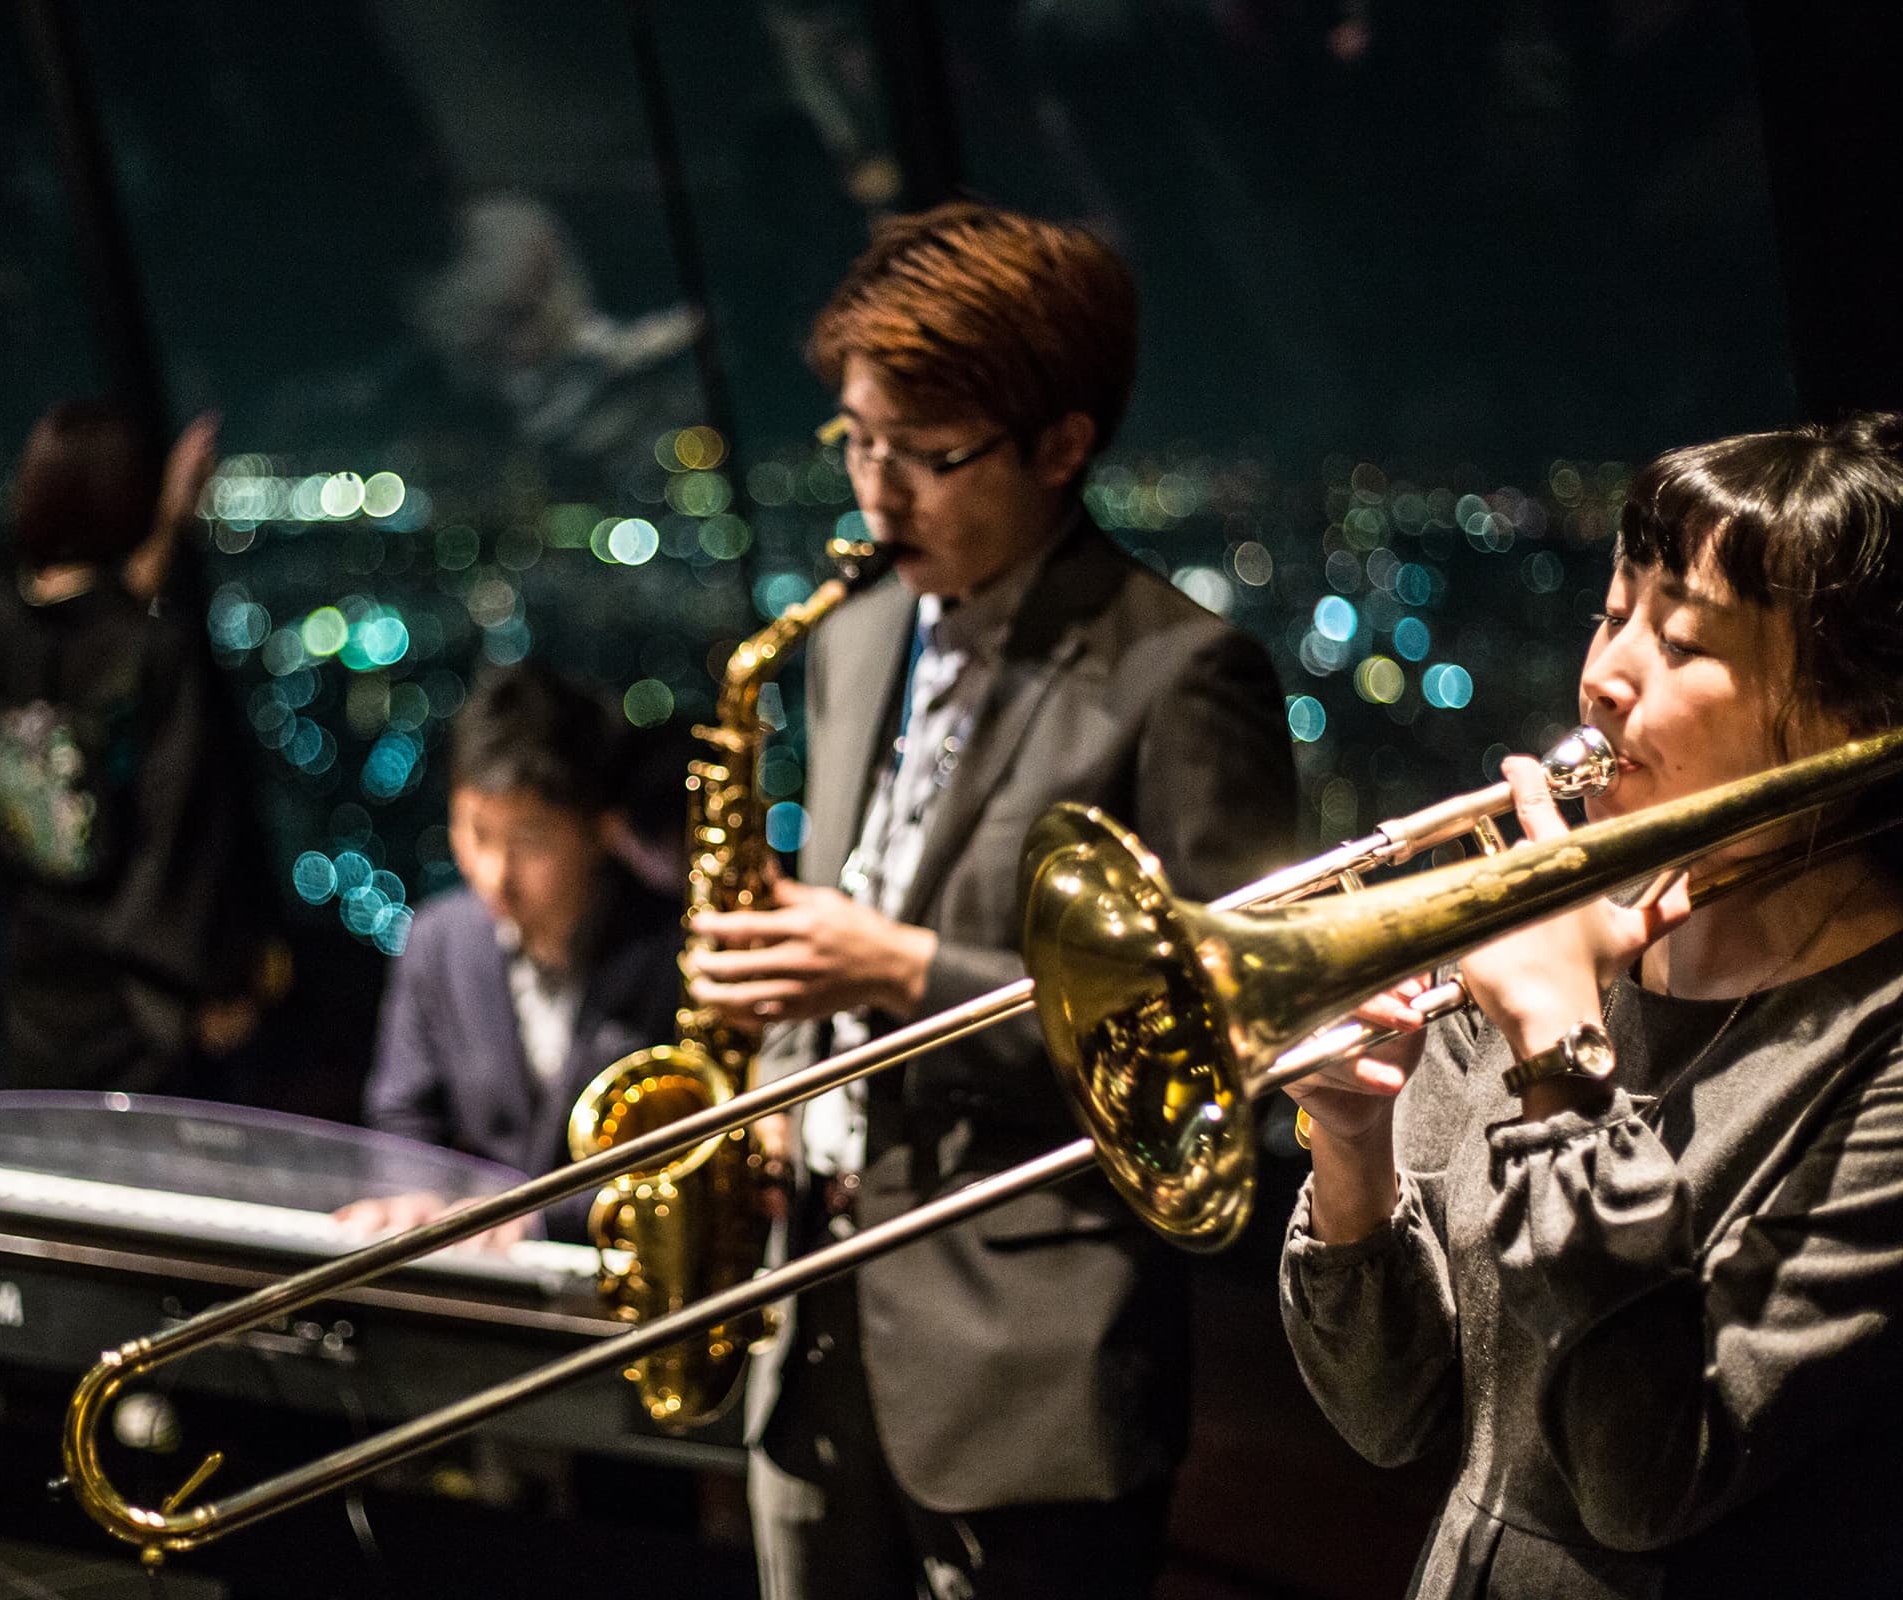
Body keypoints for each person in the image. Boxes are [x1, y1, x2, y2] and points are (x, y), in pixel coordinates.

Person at [685, 202, 1298, 1600]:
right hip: (810, 1319)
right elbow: (850, 919)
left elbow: (1216, 1057)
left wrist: (898, 972)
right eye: (855, 438)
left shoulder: (1185, 676)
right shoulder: (846, 636)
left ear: (1062, 446)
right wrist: (779, 1081)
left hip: (1029, 1364)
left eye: (927, 454)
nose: (874, 492)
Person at [1280, 414, 1903, 1598]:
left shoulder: (1879, 1047)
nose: (1604, 676)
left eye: (1680, 640)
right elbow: (1389, 1415)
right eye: (1613, 614)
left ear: (1845, 715)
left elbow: (1643, 1481)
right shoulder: (1544, 953)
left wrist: (1563, 1060)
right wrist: (1352, 1148)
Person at [0, 401, 266, 1098]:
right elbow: (184, 833)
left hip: (33, 988)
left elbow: (86, 633)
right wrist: (218, 981)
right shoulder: (155, 651)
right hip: (136, 1009)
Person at [343, 661, 686, 1246]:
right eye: (476, 834)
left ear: (600, 830)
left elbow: (677, 1152)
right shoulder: (437, 940)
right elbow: (402, 1117)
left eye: (530, 841)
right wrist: (415, 1194)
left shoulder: (672, 950)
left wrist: (537, 1221)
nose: (495, 875)